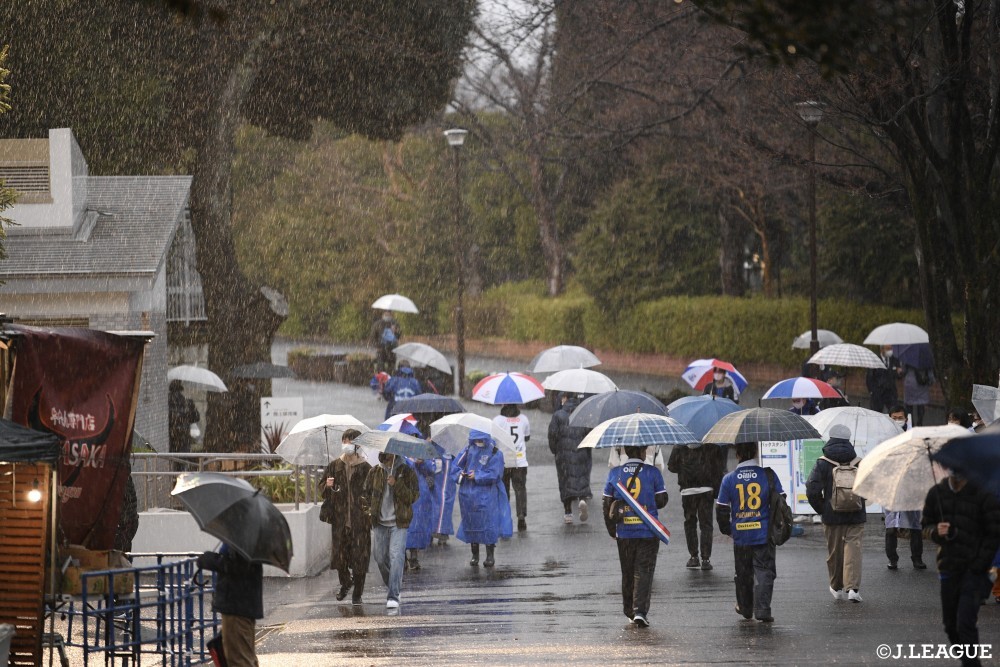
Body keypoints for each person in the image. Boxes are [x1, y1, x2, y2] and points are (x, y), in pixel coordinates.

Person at [922, 470, 1000, 667]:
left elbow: (994, 532)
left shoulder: (983, 493)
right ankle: (969, 660)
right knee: (950, 626)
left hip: (975, 572)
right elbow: (926, 526)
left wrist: (980, 564)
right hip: (948, 568)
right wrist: (936, 532)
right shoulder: (936, 493)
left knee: (965, 623)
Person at [602, 444, 668, 628]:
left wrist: (611, 530)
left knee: (628, 571)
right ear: (643, 451)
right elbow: (662, 500)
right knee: (644, 571)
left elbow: (607, 503)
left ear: (624, 450)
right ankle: (640, 611)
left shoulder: (615, 473)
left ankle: (629, 610)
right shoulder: (653, 473)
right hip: (648, 531)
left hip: (625, 532)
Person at [716, 442, 780, 623]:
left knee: (743, 572)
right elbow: (780, 501)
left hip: (741, 535)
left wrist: (729, 530)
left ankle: (745, 607)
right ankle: (763, 608)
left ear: (737, 454)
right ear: (755, 452)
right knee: (765, 571)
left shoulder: (729, 479)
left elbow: (721, 509)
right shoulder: (768, 475)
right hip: (763, 533)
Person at [806, 424, 867, 603]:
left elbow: (812, 490)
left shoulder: (823, 462)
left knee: (835, 552)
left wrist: (822, 508)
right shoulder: (858, 461)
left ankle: (836, 585)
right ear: (849, 440)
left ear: (830, 438)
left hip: (832, 516)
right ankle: (853, 589)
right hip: (856, 514)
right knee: (853, 550)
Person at [318, 429, 372, 604]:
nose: (346, 445)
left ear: (357, 445)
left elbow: (372, 493)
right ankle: (346, 582)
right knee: (340, 558)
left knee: (359, 559)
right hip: (340, 521)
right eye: (344, 441)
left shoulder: (366, 468)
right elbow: (322, 492)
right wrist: (328, 486)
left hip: (360, 522)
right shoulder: (334, 466)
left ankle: (357, 593)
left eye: (350, 442)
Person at [362, 450, 419, 609]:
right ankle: (393, 585)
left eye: (389, 455)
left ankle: (393, 595)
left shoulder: (406, 471)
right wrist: (369, 513)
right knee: (380, 558)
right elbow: (365, 496)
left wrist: (397, 484)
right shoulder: (375, 472)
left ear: (395, 454)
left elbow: (412, 497)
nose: (387, 459)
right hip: (379, 523)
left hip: (398, 523)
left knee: (396, 556)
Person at [197, 543, 263, 666]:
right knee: (244, 657)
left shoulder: (242, 538)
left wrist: (210, 560)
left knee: (238, 660)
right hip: (241, 606)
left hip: (237, 607)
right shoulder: (246, 537)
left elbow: (235, 566)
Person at [453, 430, 512, 567]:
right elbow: (455, 467)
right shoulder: (467, 450)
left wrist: (478, 475)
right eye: (476, 440)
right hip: (468, 495)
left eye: (481, 440)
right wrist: (461, 475)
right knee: (472, 523)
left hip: (487, 495)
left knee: (488, 524)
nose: (478, 443)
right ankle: (475, 554)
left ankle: (490, 555)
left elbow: (496, 473)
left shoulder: (495, 452)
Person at [667, 442, 727, 571]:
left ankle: (693, 557)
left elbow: (671, 466)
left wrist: (684, 465)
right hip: (706, 489)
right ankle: (706, 559)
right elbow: (719, 467)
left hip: (687, 491)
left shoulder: (680, 445)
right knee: (706, 524)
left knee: (690, 523)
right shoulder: (711, 445)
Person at [548, 393, 593, 524]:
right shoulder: (583, 414)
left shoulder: (558, 415)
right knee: (582, 477)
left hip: (564, 455)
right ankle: (583, 498)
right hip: (582, 452)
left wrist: (555, 450)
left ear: (565, 399)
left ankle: (568, 512)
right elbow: (590, 433)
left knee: (565, 481)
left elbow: (552, 435)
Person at [494, 404, 530, 532]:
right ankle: (521, 516)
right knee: (520, 489)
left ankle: (505, 518)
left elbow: (493, 440)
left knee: (504, 491)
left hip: (503, 461)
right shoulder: (524, 419)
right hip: (519, 461)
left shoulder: (497, 420)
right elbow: (527, 437)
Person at [404, 455, 436, 571]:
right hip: (403, 491)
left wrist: (422, 463)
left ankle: (413, 556)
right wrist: (411, 462)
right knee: (403, 525)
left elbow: (432, 470)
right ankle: (402, 557)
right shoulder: (397, 451)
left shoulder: (421, 451)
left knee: (416, 525)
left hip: (420, 493)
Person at [429, 440, 458, 546]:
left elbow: (457, 462)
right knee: (432, 503)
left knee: (445, 503)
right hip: (434, 479)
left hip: (446, 480)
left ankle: (442, 531)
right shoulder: (427, 444)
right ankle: (432, 531)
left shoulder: (450, 445)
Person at [168, 379, 200, 468]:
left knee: (171, 458)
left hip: (171, 435)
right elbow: (196, 417)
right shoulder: (187, 402)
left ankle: (173, 477)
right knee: (183, 459)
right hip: (183, 436)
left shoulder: (166, 402)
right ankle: (181, 475)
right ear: (181, 389)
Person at [865, 345, 900, 413]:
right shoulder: (875, 360)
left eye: (891, 349)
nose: (890, 351)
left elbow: (898, 375)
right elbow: (869, 377)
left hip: (891, 392)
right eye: (888, 349)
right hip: (878, 392)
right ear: (882, 350)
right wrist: (872, 391)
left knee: (894, 412)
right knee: (877, 413)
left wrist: (899, 372)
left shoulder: (894, 359)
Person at [903, 362, 933, 427]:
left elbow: (904, 371)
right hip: (921, 383)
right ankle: (920, 423)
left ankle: (910, 424)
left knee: (909, 406)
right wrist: (931, 380)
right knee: (921, 405)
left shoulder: (908, 358)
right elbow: (930, 373)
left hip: (910, 383)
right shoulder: (925, 359)